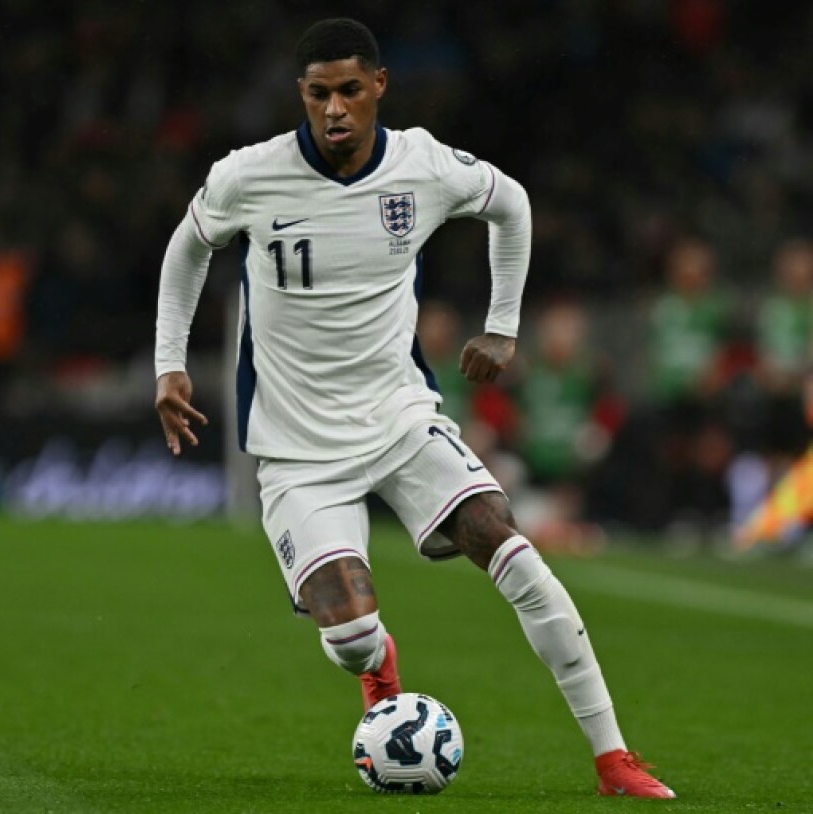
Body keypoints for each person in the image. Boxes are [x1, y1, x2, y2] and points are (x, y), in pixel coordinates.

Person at [153, 18, 674, 799]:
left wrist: (503, 327)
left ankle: (613, 758)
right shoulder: (248, 177)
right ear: (301, 95)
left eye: (350, 91)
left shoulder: (423, 165)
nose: (335, 109)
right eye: (319, 93)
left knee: (506, 539)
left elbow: (513, 204)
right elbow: (187, 248)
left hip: (400, 417)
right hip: (296, 448)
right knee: (353, 633)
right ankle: (377, 667)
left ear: (379, 88)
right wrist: (169, 365)